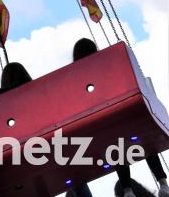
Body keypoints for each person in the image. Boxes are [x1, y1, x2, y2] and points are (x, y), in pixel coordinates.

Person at [72, 38, 169, 197]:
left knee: (115, 148)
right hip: (123, 112)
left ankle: (127, 190)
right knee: (145, 141)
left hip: (103, 123)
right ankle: (163, 183)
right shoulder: (106, 65)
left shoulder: (77, 76)